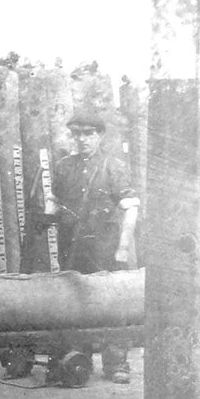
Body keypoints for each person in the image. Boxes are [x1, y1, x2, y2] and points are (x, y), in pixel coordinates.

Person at [47, 114, 139, 385]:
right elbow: (54, 202)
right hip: (73, 249)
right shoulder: (64, 167)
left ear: (99, 136)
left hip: (105, 250)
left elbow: (131, 208)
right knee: (76, 305)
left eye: (88, 134)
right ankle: (80, 360)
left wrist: (122, 249)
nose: (82, 140)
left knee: (113, 306)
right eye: (77, 134)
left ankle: (117, 363)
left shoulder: (114, 166)